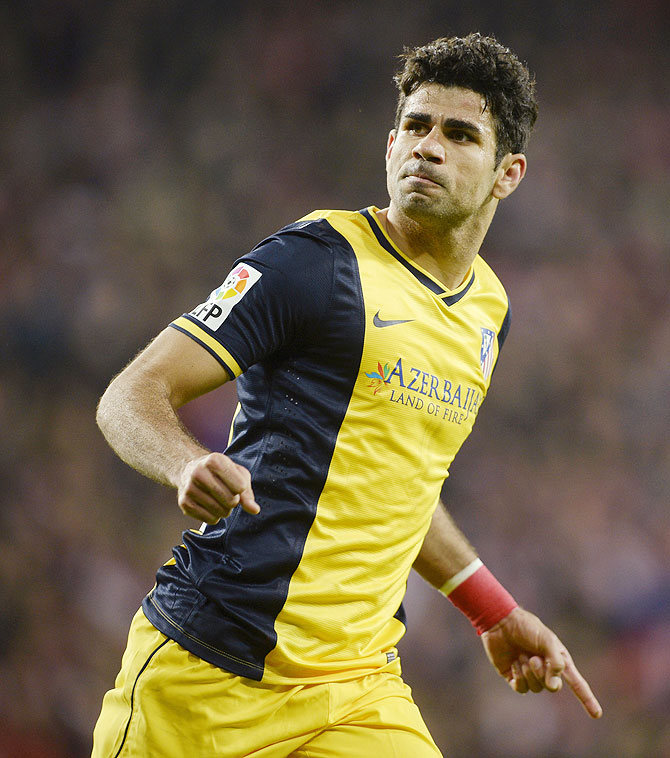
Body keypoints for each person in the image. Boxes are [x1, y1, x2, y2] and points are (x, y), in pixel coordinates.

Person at [91, 33, 602, 758]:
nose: (428, 147)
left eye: (460, 135)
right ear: (390, 143)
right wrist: (182, 463)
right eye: (416, 127)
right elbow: (129, 394)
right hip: (210, 676)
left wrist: (491, 609)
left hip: (357, 691)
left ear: (507, 173)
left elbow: (398, 480)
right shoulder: (311, 263)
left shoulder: (489, 310)